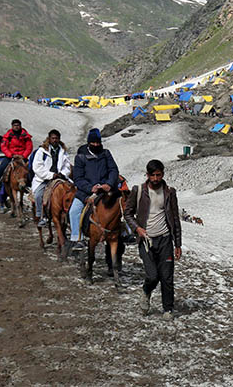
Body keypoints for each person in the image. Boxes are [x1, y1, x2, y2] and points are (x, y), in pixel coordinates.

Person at [123, 159, 182, 320]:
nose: (156, 178)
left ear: (163, 174)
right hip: (146, 240)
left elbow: (175, 219)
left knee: (167, 276)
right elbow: (127, 213)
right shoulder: (139, 191)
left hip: (165, 239)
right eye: (153, 175)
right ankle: (146, 291)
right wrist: (137, 228)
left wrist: (178, 244)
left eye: (159, 175)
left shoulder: (169, 192)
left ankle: (168, 309)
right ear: (147, 175)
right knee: (152, 275)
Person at [68, 128, 119, 250]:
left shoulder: (106, 153)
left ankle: (124, 231)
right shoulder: (81, 156)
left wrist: (109, 183)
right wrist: (90, 188)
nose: (96, 145)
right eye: (93, 143)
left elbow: (113, 170)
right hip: (87, 190)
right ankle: (77, 238)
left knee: (122, 205)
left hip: (106, 189)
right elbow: (78, 178)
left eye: (98, 143)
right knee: (74, 211)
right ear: (89, 142)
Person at [31, 129, 71, 228]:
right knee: (39, 195)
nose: (55, 140)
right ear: (49, 139)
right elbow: (37, 167)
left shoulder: (63, 151)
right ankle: (42, 216)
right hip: (45, 178)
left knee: (72, 191)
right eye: (53, 138)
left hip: (60, 177)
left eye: (57, 138)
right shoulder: (42, 151)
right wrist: (50, 175)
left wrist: (63, 173)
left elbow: (67, 166)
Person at [0, 119, 33, 195]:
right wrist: (11, 155)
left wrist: (23, 156)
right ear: (12, 126)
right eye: (15, 125)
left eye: (18, 125)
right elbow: (4, 146)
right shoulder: (7, 136)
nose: (16, 127)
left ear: (20, 126)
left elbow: (29, 147)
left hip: (22, 156)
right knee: (1, 167)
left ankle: (29, 185)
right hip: (11, 156)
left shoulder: (26, 136)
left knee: (30, 169)